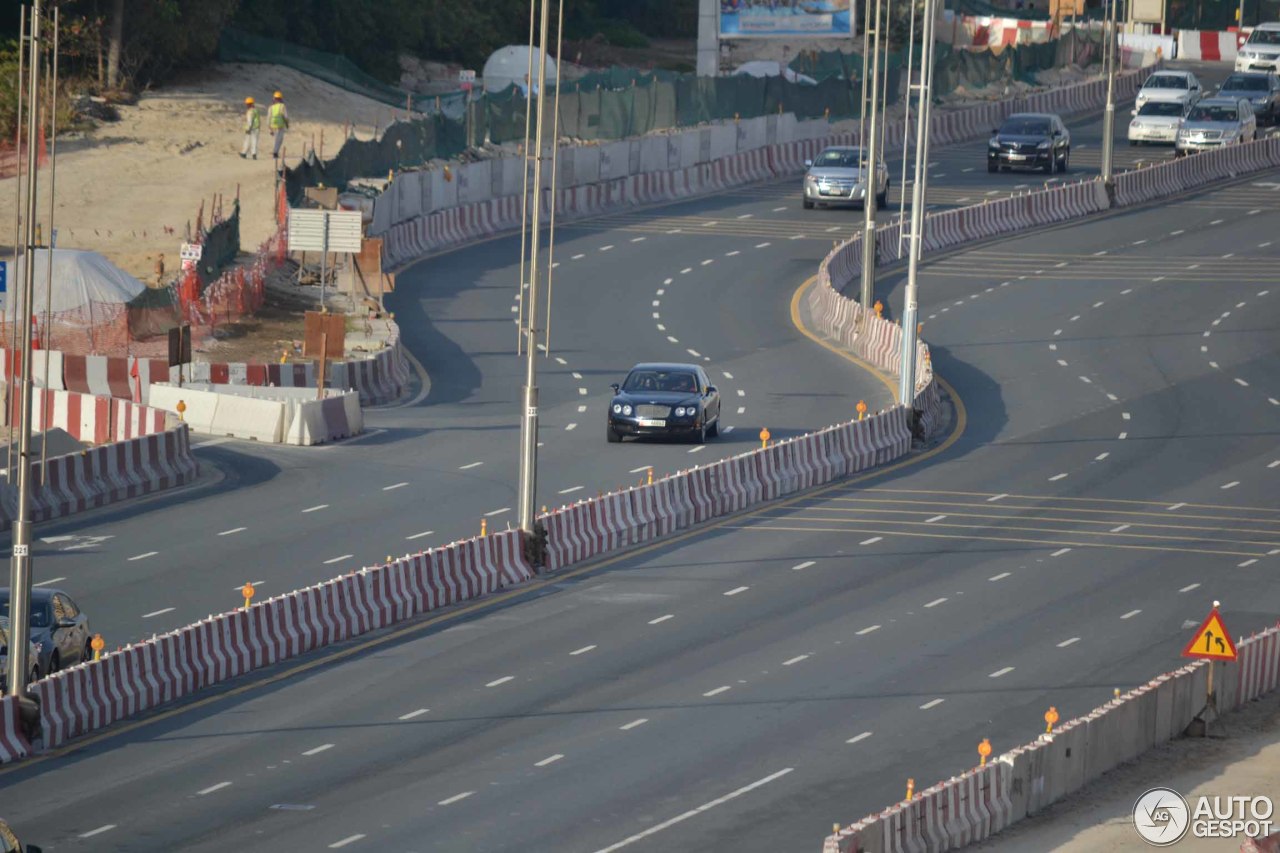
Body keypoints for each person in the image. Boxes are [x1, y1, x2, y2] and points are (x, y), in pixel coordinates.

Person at [268, 90, 289, 159]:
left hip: (273, 125)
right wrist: (287, 124)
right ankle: (275, 153)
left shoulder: (271, 107)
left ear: (274, 98)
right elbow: (286, 117)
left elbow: (268, 118)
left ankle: (275, 152)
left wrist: (269, 128)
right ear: (280, 98)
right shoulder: (282, 106)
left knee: (276, 139)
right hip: (280, 126)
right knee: (279, 139)